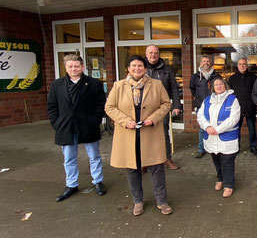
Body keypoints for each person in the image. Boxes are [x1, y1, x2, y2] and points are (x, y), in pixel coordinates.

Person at [105, 55, 173, 216]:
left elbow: (166, 104)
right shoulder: (119, 85)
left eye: (140, 66)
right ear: (128, 68)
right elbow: (110, 107)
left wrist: (153, 118)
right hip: (128, 134)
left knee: (157, 168)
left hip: (150, 133)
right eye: (134, 66)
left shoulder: (156, 84)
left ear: (145, 68)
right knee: (133, 169)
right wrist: (125, 121)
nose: (137, 68)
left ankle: (162, 201)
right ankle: (138, 201)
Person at [47, 54, 106, 202]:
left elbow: (100, 105)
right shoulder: (57, 85)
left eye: (76, 66)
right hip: (66, 127)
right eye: (70, 66)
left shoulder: (94, 84)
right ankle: (71, 185)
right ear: (65, 67)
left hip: (88, 125)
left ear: (82, 67)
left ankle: (98, 181)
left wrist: (95, 121)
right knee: (69, 158)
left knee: (94, 156)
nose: (73, 69)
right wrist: (56, 123)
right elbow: (52, 106)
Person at [197, 78, 240, 198]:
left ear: (225, 86)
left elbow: (234, 118)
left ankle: (229, 185)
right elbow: (200, 116)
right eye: (216, 85)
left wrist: (218, 129)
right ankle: (220, 179)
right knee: (216, 159)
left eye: (221, 84)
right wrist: (207, 127)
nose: (219, 86)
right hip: (211, 136)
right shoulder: (207, 100)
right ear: (213, 88)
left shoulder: (233, 99)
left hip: (227, 137)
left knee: (227, 161)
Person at [145, 44, 182, 170]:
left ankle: (167, 158)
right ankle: (145, 161)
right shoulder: (141, 68)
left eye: (155, 53)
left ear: (159, 54)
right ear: (146, 54)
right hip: (144, 107)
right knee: (145, 134)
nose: (153, 55)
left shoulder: (167, 70)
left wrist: (177, 105)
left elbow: (174, 88)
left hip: (162, 107)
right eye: (150, 53)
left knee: (163, 134)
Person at [190, 55, 222, 158]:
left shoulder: (217, 76)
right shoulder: (195, 77)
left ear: (211, 63)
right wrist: (199, 98)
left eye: (208, 61)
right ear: (201, 63)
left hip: (215, 105)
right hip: (201, 106)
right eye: (204, 61)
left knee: (216, 126)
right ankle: (201, 149)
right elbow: (192, 89)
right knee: (203, 128)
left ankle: (215, 147)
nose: (206, 63)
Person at [228, 58, 257, 156]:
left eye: (244, 64)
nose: (242, 66)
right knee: (236, 129)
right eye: (240, 64)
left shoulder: (254, 77)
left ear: (247, 65)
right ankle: (236, 146)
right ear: (237, 66)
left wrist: (255, 104)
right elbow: (229, 94)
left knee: (252, 129)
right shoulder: (232, 78)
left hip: (250, 107)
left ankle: (253, 146)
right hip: (237, 108)